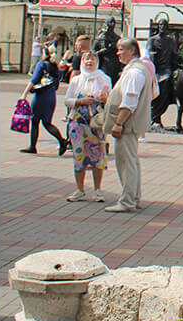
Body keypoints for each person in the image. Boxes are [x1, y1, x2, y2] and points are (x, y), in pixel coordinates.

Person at [100, 37, 156, 212]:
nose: (118, 53)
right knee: (130, 161)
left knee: (126, 162)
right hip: (131, 124)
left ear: (132, 50)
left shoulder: (134, 72)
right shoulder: (138, 69)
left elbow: (129, 101)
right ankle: (133, 198)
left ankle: (127, 201)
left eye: (121, 49)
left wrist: (118, 123)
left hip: (127, 125)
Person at [62, 49, 111, 200]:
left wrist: (104, 99)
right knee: (79, 155)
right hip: (78, 122)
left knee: (98, 155)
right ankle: (80, 189)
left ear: (97, 62)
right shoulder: (77, 80)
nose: (89, 62)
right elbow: (67, 100)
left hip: (96, 123)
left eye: (92, 59)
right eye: (86, 59)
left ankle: (97, 190)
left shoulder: (104, 79)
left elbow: (111, 101)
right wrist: (80, 101)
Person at [20, 46, 70, 157]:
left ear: (44, 54)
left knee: (35, 121)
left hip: (41, 96)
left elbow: (34, 80)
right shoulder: (55, 66)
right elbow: (56, 85)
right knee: (46, 122)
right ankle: (60, 141)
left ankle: (58, 141)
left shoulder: (42, 64)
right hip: (51, 96)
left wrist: (24, 94)